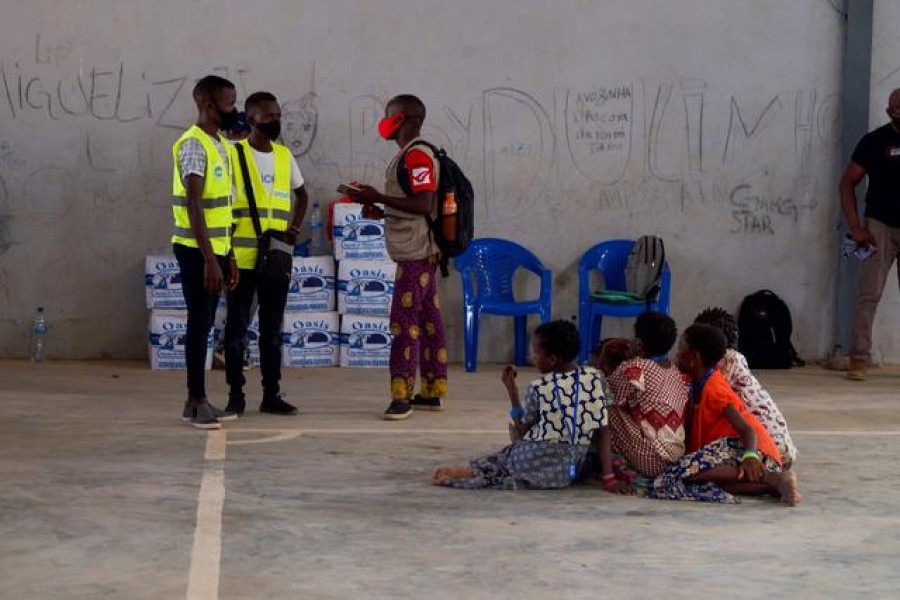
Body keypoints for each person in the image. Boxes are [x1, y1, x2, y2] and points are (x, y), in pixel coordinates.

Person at [432, 320, 628, 492]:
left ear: (552, 359)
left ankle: (466, 473)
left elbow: (523, 430)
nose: (532, 357)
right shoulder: (596, 377)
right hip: (567, 471)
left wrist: (512, 391)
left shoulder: (540, 387)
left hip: (533, 460)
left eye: (535, 352)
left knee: (505, 458)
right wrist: (609, 479)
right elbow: (603, 431)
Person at [347, 95, 448, 420]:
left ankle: (401, 396)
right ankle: (432, 391)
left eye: (387, 116)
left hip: (416, 252)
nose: (384, 121)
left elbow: (422, 204)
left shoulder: (417, 156)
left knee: (404, 323)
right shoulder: (409, 155)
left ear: (401, 118)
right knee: (428, 318)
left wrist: (376, 195)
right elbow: (411, 205)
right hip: (419, 248)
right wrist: (380, 208)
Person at [648, 324, 801, 505]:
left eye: (681, 349)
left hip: (749, 450)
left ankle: (771, 477)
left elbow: (747, 429)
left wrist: (750, 456)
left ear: (694, 358)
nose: (677, 355)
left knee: (685, 472)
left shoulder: (714, 389)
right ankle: (774, 485)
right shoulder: (692, 383)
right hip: (728, 456)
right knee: (705, 480)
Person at [223, 91, 309, 416]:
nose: (275, 121)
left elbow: (302, 194)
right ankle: (236, 396)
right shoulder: (234, 155)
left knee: (272, 331)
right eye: (268, 116)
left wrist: (294, 227)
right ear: (251, 118)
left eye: (277, 115)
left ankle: (271, 394)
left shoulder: (285, 156)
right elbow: (223, 208)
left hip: (275, 258)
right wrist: (227, 255)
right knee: (236, 330)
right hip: (241, 261)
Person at [172, 75, 241, 430]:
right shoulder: (194, 145)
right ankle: (195, 400)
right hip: (197, 253)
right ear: (206, 104)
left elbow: (223, 208)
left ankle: (196, 400)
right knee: (199, 325)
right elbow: (194, 204)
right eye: (228, 104)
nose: (234, 110)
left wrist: (227, 255)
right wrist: (210, 260)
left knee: (206, 325)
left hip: (217, 250)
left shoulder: (221, 145)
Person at [839, 88, 900, 381]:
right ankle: (859, 359)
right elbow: (847, 183)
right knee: (869, 294)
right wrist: (855, 226)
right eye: (898, 109)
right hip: (879, 227)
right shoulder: (874, 141)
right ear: (890, 112)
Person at [694, 307, 798, 467]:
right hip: (778, 445)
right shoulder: (734, 358)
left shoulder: (727, 362)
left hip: (768, 447)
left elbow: (707, 394)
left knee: (702, 469)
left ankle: (772, 480)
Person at [602, 312, 689, 478]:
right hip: (675, 457)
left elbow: (602, 390)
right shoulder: (675, 371)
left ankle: (603, 465)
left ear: (639, 343)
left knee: (599, 406)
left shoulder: (636, 367)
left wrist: (605, 352)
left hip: (651, 458)